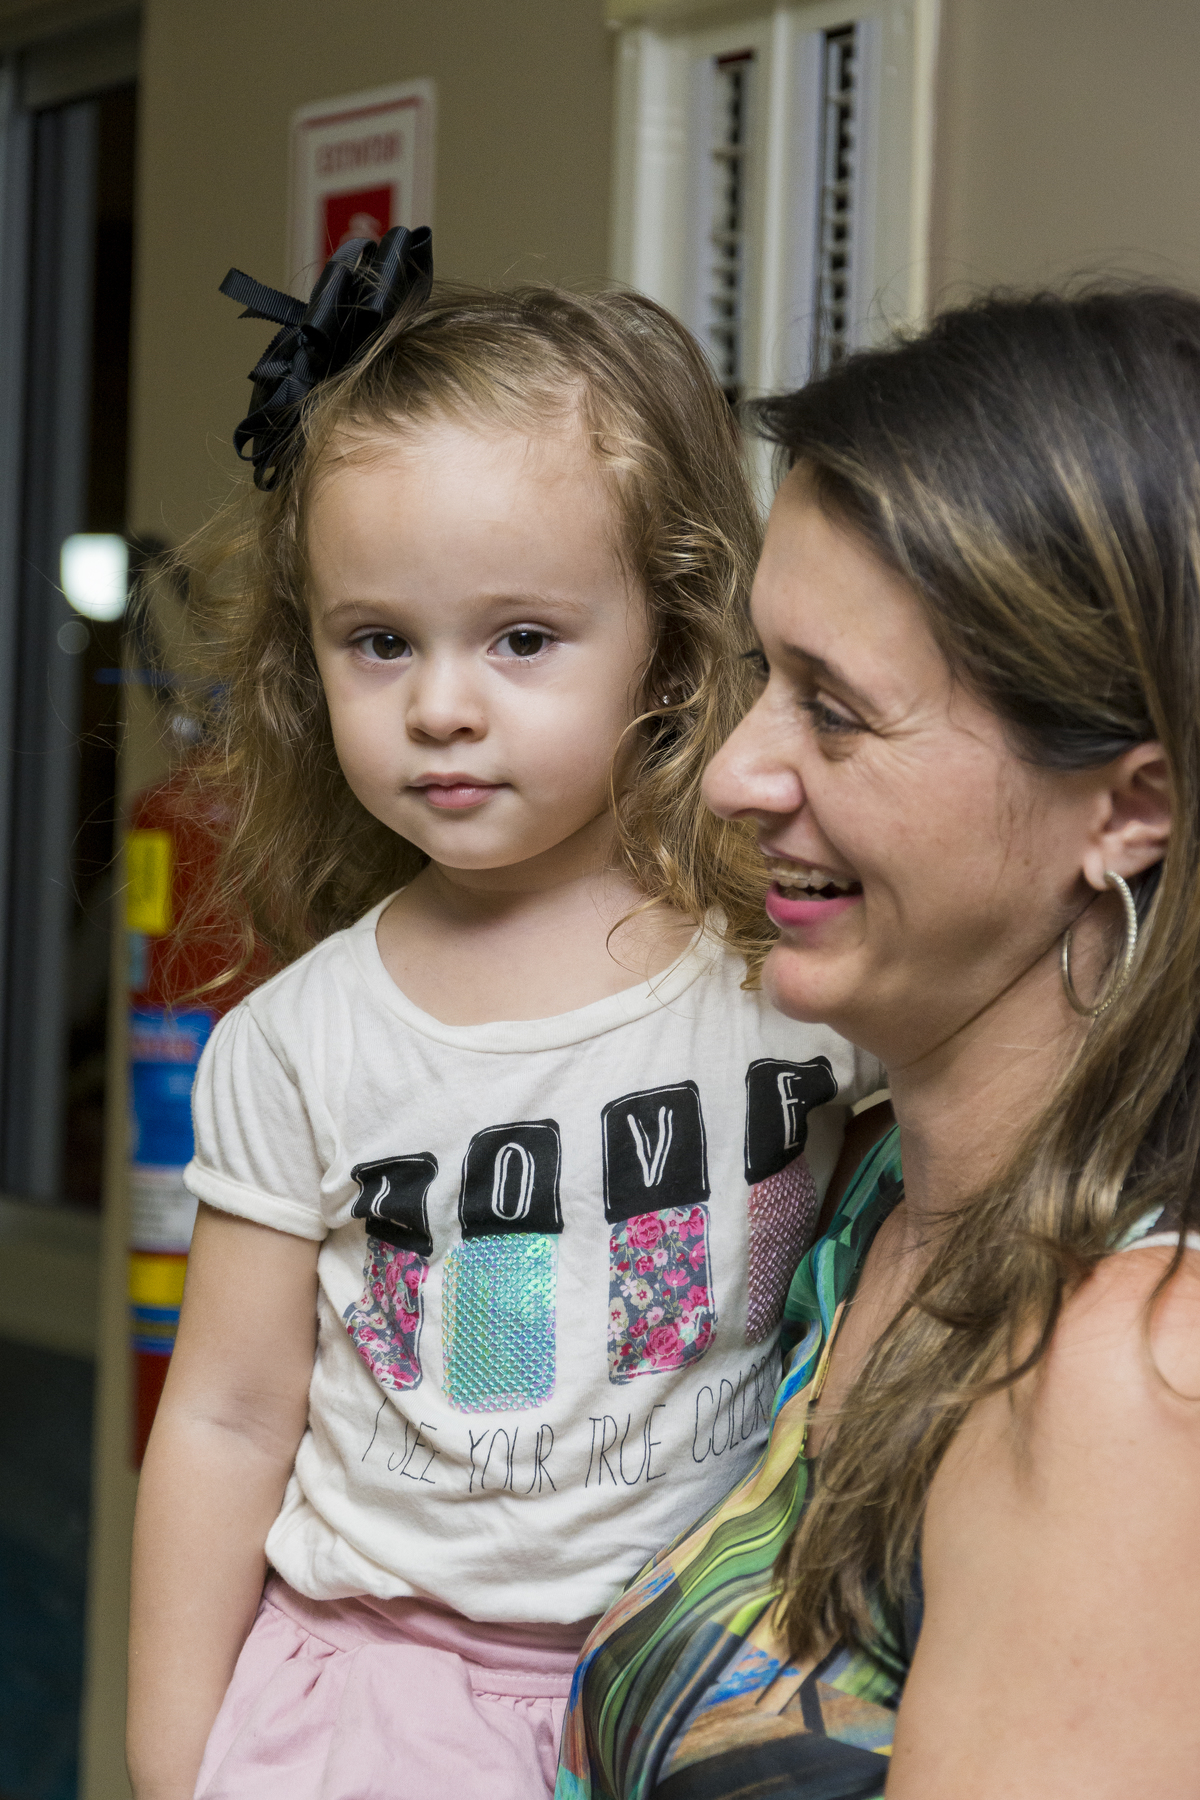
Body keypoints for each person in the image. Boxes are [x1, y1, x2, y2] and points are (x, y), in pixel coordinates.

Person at [124, 229, 886, 1800]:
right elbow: (227, 1419)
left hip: (699, 1683)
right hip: (375, 1702)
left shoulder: (802, 980)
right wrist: (170, 1758)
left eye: (522, 638)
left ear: (669, 641)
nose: (441, 706)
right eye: (379, 641)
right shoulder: (301, 1042)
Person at [557, 287, 1200, 1800]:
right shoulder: (866, 1196)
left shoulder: (1133, 1383)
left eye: (836, 713)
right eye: (762, 678)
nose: (736, 772)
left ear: (1128, 807)